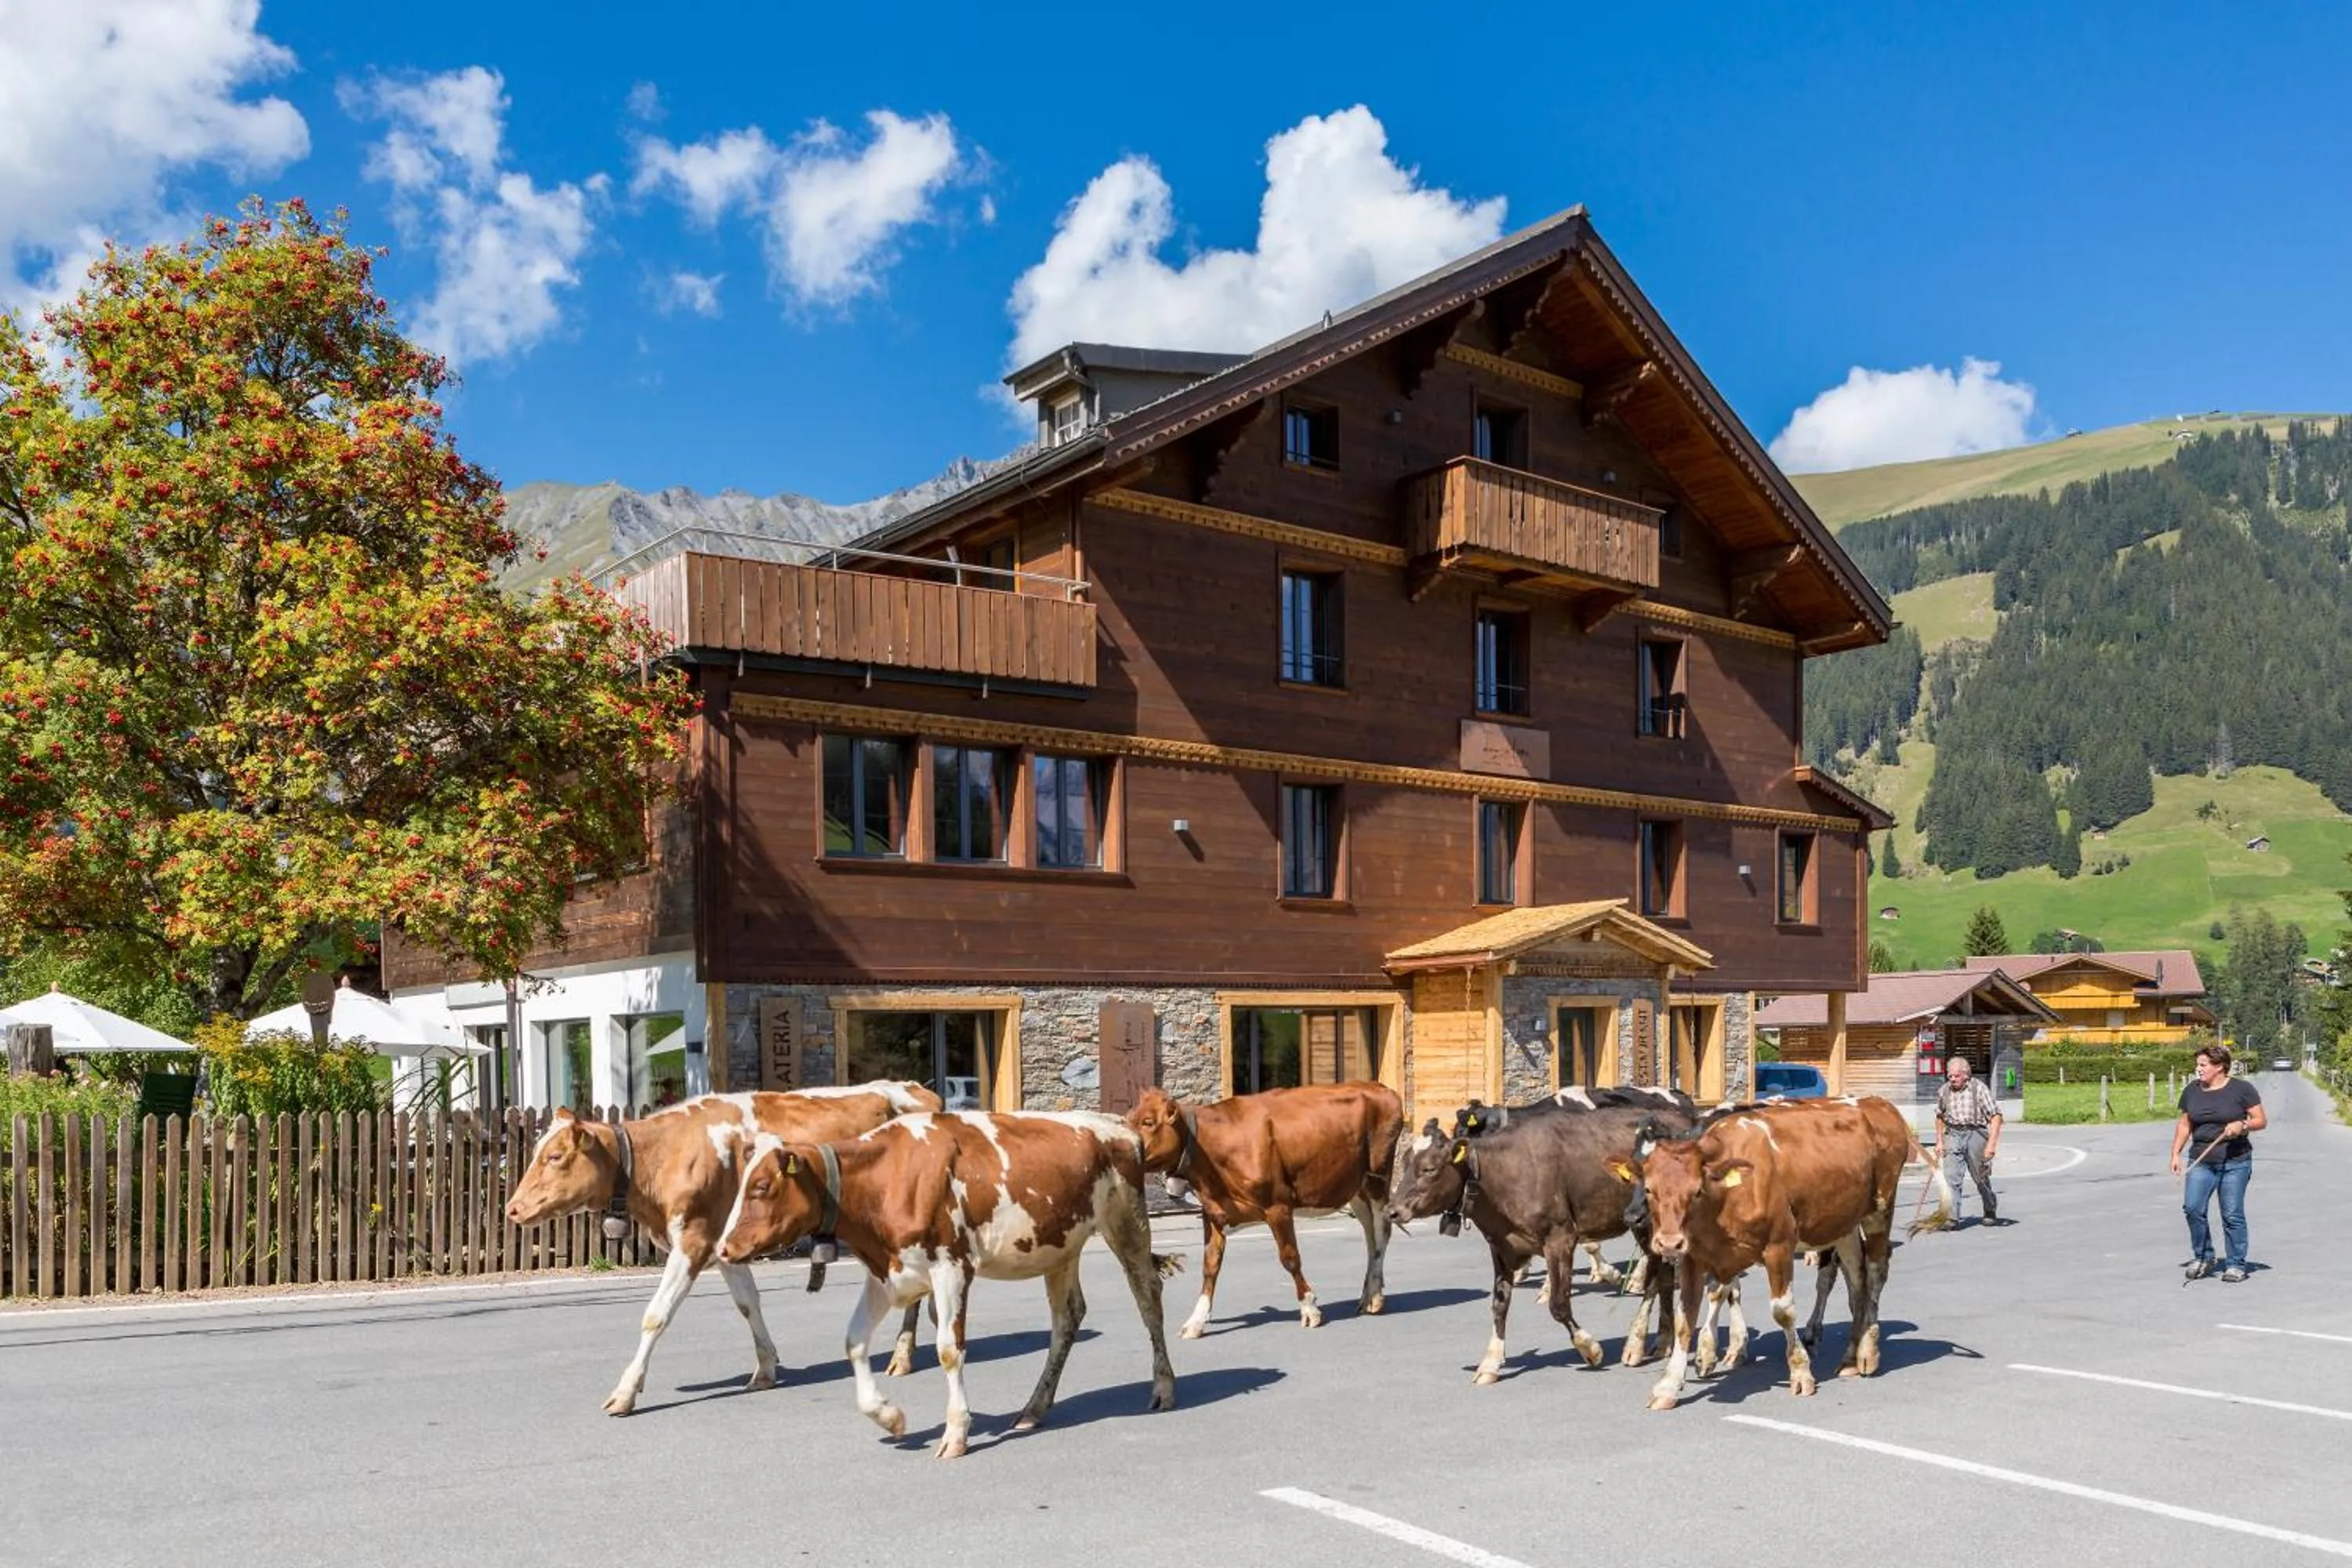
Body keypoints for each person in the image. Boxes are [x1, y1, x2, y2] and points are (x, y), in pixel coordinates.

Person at [2171, 1042, 2266, 1282]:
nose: (2198, 1068)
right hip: (2201, 1160)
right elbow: (2185, 1124)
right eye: (2198, 1064)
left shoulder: (2242, 1089)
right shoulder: (2192, 1090)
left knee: (2232, 1213)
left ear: (2220, 1066)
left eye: (2203, 1064)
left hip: (2235, 1161)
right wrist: (2175, 1153)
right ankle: (2204, 1257)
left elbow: (2260, 1120)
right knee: (2193, 1208)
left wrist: (2242, 1125)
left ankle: (2235, 1264)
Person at [1934, 1054, 2003, 1225]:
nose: (1952, 1079)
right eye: (1950, 1076)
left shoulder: (1978, 1089)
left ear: (1966, 1074)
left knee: (1981, 1177)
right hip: (1953, 1134)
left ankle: (1990, 1207)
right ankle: (1951, 1218)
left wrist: (1991, 1145)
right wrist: (1940, 1141)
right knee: (1951, 1177)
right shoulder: (1944, 1091)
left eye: (1956, 1076)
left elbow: (1996, 1116)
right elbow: (1940, 1117)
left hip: (1976, 1134)